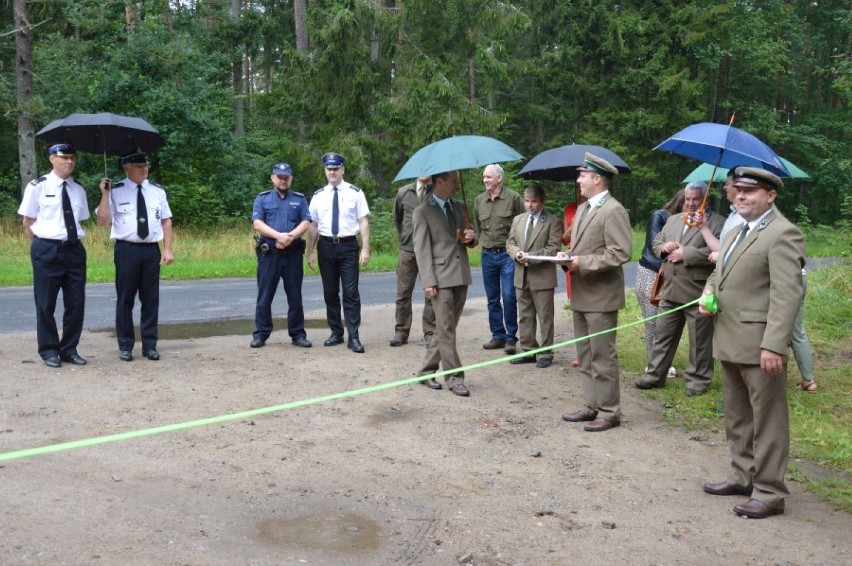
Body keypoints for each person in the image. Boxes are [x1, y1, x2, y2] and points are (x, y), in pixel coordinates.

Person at [700, 167, 805, 519]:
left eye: (751, 191)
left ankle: (770, 492)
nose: (741, 196)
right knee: (737, 415)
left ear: (770, 196)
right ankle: (742, 476)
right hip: (730, 337)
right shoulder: (734, 232)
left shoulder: (782, 233)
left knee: (768, 420)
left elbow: (787, 295)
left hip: (761, 345)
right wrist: (708, 294)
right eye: (738, 190)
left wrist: (774, 344)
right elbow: (719, 275)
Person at [557, 153, 632, 432]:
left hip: (601, 296)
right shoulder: (585, 209)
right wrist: (566, 256)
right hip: (582, 292)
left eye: (582, 175)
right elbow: (583, 248)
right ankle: (591, 405)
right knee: (585, 355)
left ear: (597, 178)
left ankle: (610, 411)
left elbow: (621, 252)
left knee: (603, 356)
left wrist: (582, 262)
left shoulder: (613, 210)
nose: (578, 180)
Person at [634, 182, 723, 396]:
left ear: (705, 200)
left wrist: (688, 253)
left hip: (697, 291)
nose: (691, 203)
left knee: (699, 340)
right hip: (670, 290)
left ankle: (698, 380)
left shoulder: (718, 222)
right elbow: (655, 243)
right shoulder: (673, 219)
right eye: (688, 199)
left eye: (696, 199)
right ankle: (655, 375)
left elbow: (722, 252)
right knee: (662, 334)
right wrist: (663, 249)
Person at [18, 143, 91, 368]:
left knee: (76, 303)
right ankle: (49, 350)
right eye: (64, 158)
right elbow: (28, 221)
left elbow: (81, 219)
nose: (69, 162)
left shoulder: (78, 189)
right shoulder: (37, 186)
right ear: (52, 159)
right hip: (47, 249)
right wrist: (40, 245)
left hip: (74, 250)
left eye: (72, 158)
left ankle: (69, 349)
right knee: (45, 303)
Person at [96, 151, 174, 361]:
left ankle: (150, 345)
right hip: (127, 249)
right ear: (126, 167)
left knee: (151, 300)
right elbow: (103, 221)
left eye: (145, 165)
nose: (144, 169)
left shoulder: (157, 191)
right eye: (139, 166)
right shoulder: (116, 190)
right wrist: (105, 195)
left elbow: (166, 220)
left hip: (150, 250)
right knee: (125, 299)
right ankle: (126, 346)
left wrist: (167, 249)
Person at [412, 170, 478, 397]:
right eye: (452, 181)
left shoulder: (460, 207)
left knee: (446, 329)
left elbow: (468, 237)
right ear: (439, 182)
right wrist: (428, 280)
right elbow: (421, 249)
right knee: (447, 329)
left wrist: (472, 237)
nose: (456, 185)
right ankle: (455, 378)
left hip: (460, 275)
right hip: (439, 279)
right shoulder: (422, 212)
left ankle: (425, 370)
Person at [306, 152, 370, 353]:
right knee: (330, 292)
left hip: (348, 246)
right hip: (325, 246)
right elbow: (313, 225)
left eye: (336, 168)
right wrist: (310, 251)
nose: (332, 172)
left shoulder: (355, 193)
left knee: (351, 293)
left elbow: (363, 222)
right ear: (325, 171)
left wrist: (366, 248)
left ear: (342, 170)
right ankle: (336, 332)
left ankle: (354, 336)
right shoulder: (318, 196)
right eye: (329, 169)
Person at [248, 163, 312, 349]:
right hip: (270, 254)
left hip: (292, 254)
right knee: (265, 296)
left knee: (295, 296)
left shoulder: (299, 200)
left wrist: (289, 238)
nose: (283, 180)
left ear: (290, 179)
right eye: (279, 177)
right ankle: (260, 334)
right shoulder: (262, 199)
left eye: (286, 177)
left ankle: (298, 334)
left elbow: (306, 222)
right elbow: (257, 224)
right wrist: (279, 237)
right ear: (273, 178)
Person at [505, 185, 563, 368]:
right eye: (527, 201)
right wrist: (516, 253)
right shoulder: (518, 220)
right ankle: (528, 350)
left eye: (534, 201)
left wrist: (529, 257)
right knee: (524, 316)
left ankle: (546, 353)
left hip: (542, 276)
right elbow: (510, 242)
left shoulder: (553, 222)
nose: (529, 205)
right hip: (521, 275)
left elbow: (553, 248)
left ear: (542, 201)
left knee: (545, 316)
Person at [473, 163, 524, 354]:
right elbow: (478, 229)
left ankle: (511, 338)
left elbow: (522, 224)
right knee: (492, 298)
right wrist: (470, 239)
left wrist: (520, 250)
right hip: (487, 254)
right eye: (484, 177)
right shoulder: (479, 200)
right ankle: (498, 336)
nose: (485, 180)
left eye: (488, 177)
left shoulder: (513, 198)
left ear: (499, 178)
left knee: (509, 296)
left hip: (507, 255)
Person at [635, 189, 684, 375]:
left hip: (673, 274)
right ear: (680, 202)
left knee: (667, 321)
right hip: (650, 272)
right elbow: (653, 245)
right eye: (687, 203)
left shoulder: (690, 222)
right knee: (652, 320)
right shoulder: (660, 216)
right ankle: (652, 362)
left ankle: (663, 360)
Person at [390, 176, 436, 347]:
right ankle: (401, 332)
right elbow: (398, 220)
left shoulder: (436, 192)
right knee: (403, 293)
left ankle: (430, 333)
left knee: (431, 293)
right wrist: (406, 237)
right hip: (407, 250)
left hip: (430, 251)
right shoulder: (404, 192)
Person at [561, 181, 588, 368]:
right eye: (577, 186)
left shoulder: (596, 208)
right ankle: (582, 352)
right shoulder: (570, 208)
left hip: (588, 258)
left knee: (591, 306)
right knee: (576, 306)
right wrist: (570, 230)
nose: (580, 190)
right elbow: (564, 239)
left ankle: (594, 350)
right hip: (571, 260)